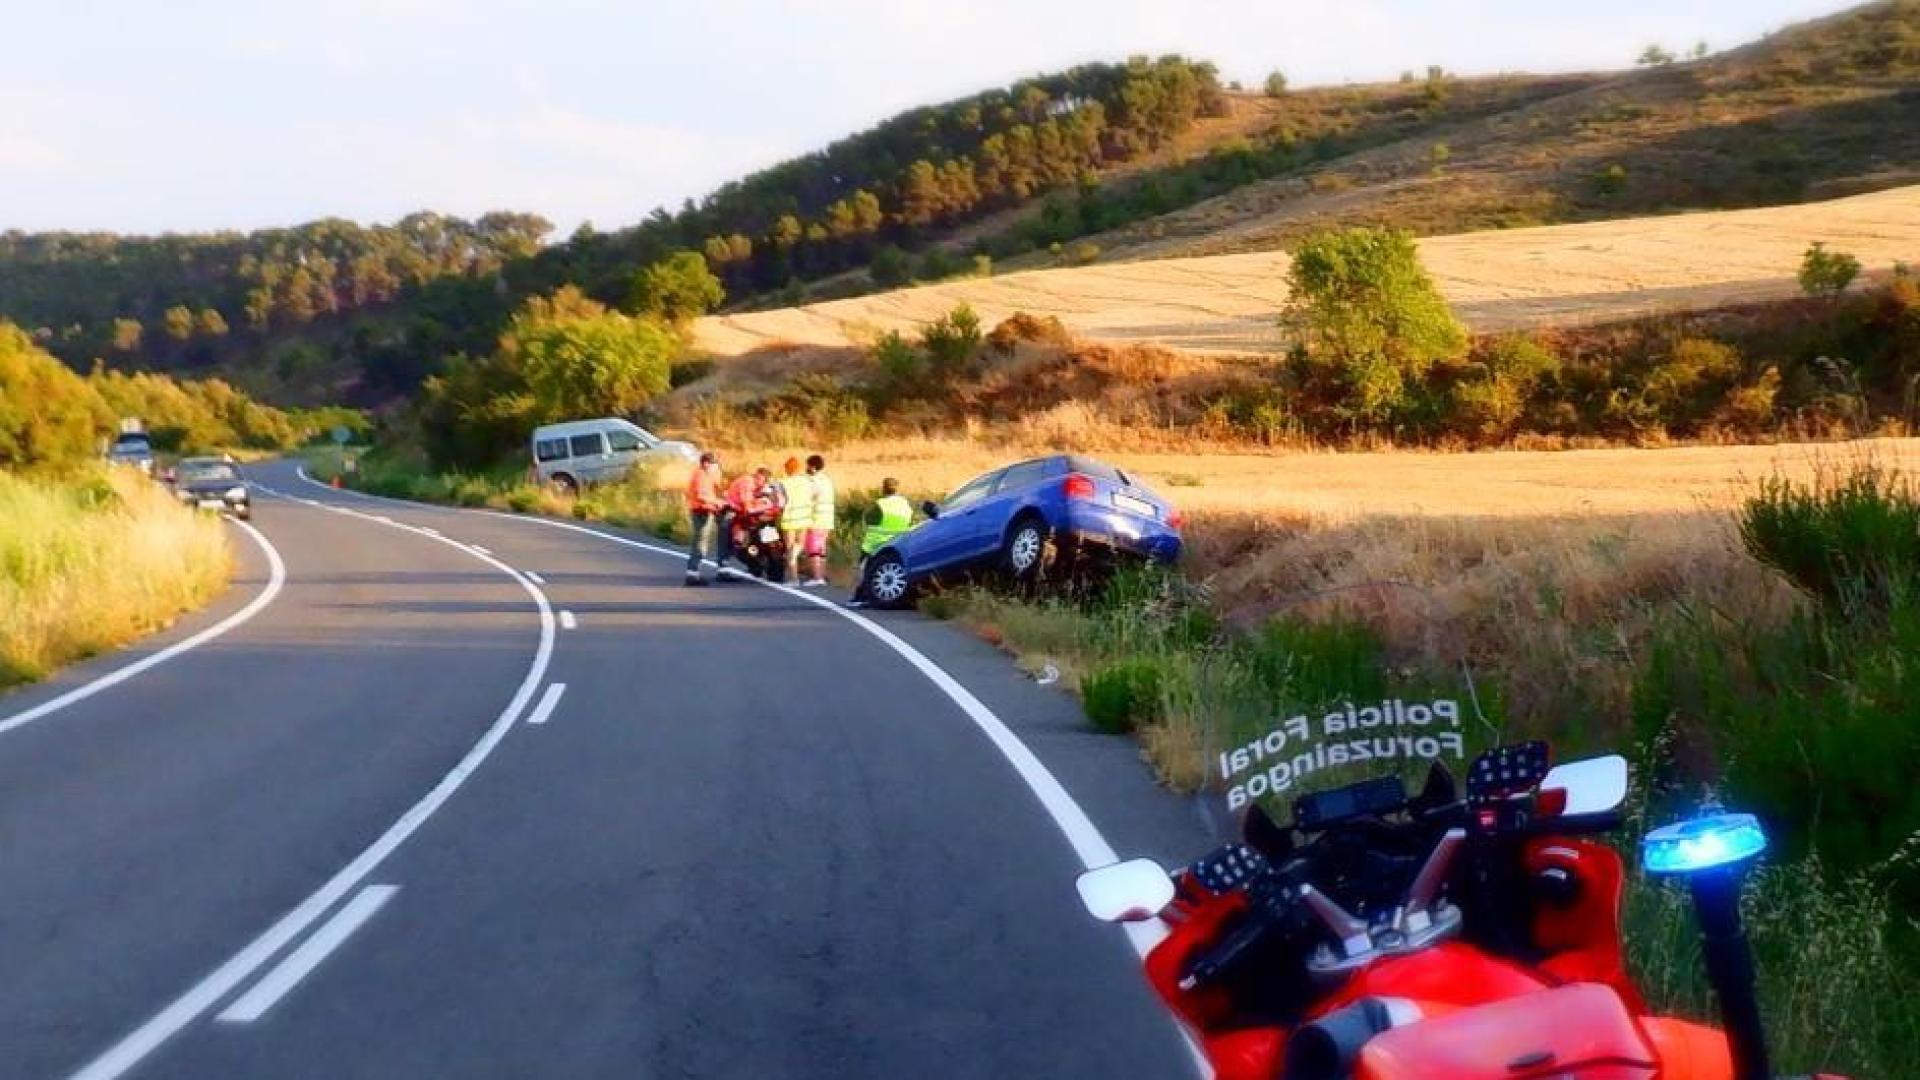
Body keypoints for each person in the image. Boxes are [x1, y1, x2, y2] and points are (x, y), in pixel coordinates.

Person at [849, 477, 914, 606]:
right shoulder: (906, 505)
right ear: (897, 489)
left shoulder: (879, 504)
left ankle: (861, 597)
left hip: (875, 543)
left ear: (883, 488)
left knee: (866, 570)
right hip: (897, 543)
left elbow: (868, 520)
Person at [683, 452, 726, 586]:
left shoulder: (707, 475)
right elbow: (701, 495)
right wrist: (717, 502)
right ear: (706, 463)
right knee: (700, 541)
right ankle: (692, 573)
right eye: (713, 464)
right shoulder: (700, 475)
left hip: (706, 510)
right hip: (700, 511)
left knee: (702, 540)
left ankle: (694, 571)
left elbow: (714, 489)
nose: (715, 467)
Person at [801, 453, 836, 588]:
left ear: (813, 467)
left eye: (808, 465)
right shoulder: (827, 480)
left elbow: (808, 498)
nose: (806, 468)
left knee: (813, 548)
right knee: (821, 548)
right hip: (827, 518)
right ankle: (822, 574)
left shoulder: (813, 482)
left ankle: (817, 577)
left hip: (816, 518)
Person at [777, 457, 814, 582]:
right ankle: (795, 554)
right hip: (804, 516)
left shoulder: (782, 483)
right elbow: (812, 496)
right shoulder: (806, 481)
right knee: (800, 545)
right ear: (798, 468)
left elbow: (780, 502)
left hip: (789, 518)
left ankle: (793, 578)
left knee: (790, 548)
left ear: (787, 469)